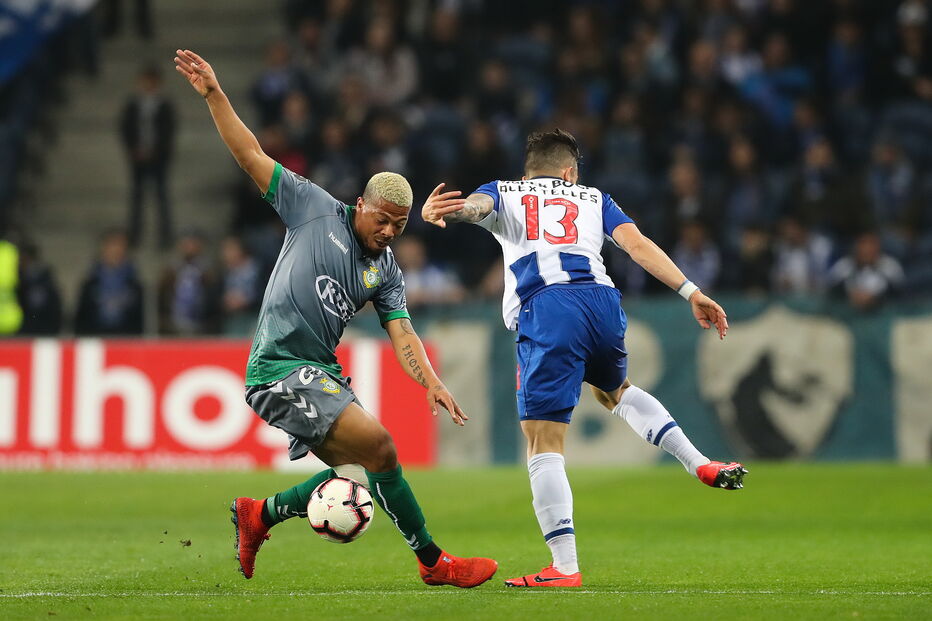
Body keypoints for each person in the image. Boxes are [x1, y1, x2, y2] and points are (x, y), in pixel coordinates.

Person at [173, 49, 496, 587]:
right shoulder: (313, 207)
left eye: (399, 226)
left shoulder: (386, 271)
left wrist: (431, 381)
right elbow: (251, 154)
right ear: (361, 204)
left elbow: (403, 333)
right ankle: (434, 563)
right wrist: (215, 95)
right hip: (279, 367)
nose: (389, 232)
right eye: (383, 220)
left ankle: (259, 515)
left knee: (356, 473)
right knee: (382, 448)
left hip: (318, 370)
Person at [423, 129, 747, 588]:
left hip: (549, 307)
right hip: (602, 301)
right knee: (614, 391)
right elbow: (637, 245)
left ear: (527, 172)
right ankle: (699, 462)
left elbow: (476, 207)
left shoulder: (505, 190)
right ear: (570, 172)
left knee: (543, 440)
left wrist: (449, 212)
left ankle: (564, 566)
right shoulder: (594, 197)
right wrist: (691, 291)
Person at [119, 65, 176, 248]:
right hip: (138, 159)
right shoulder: (133, 105)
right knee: (137, 197)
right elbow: (125, 129)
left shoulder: (165, 105)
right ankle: (134, 235)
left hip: (159, 159)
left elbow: (168, 132)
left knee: (161, 196)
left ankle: (165, 235)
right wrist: (133, 150)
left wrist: (156, 151)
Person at [74, 229, 144, 336]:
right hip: (94, 338)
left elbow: (139, 320)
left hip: (125, 339)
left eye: (120, 246)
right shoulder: (89, 283)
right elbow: (81, 317)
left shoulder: (135, 284)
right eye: (112, 245)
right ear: (103, 249)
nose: (115, 250)